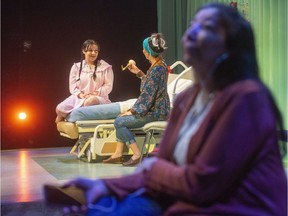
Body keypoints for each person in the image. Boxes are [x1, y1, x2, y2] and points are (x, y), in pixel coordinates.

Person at [58, 3, 287, 215]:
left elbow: (203, 181)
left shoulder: (248, 99)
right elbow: (163, 165)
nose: (193, 35)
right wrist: (107, 186)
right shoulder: (188, 99)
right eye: (194, 28)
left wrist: (152, 173)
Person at [101, 33, 170, 167]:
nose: (143, 51)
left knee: (119, 122)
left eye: (144, 49)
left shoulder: (157, 70)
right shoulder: (159, 66)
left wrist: (133, 111)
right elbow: (150, 86)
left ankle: (136, 154)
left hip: (156, 112)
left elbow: (147, 96)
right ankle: (118, 153)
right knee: (121, 117)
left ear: (148, 51)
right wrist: (138, 72)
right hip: (156, 109)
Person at [55, 39, 114, 123]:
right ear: (84, 51)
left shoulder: (105, 67)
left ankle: (72, 116)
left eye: (96, 51)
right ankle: (68, 114)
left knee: (90, 101)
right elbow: (72, 87)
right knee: (59, 109)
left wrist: (96, 93)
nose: (93, 53)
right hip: (80, 97)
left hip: (98, 98)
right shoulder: (76, 67)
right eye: (90, 50)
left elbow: (108, 86)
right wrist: (81, 95)